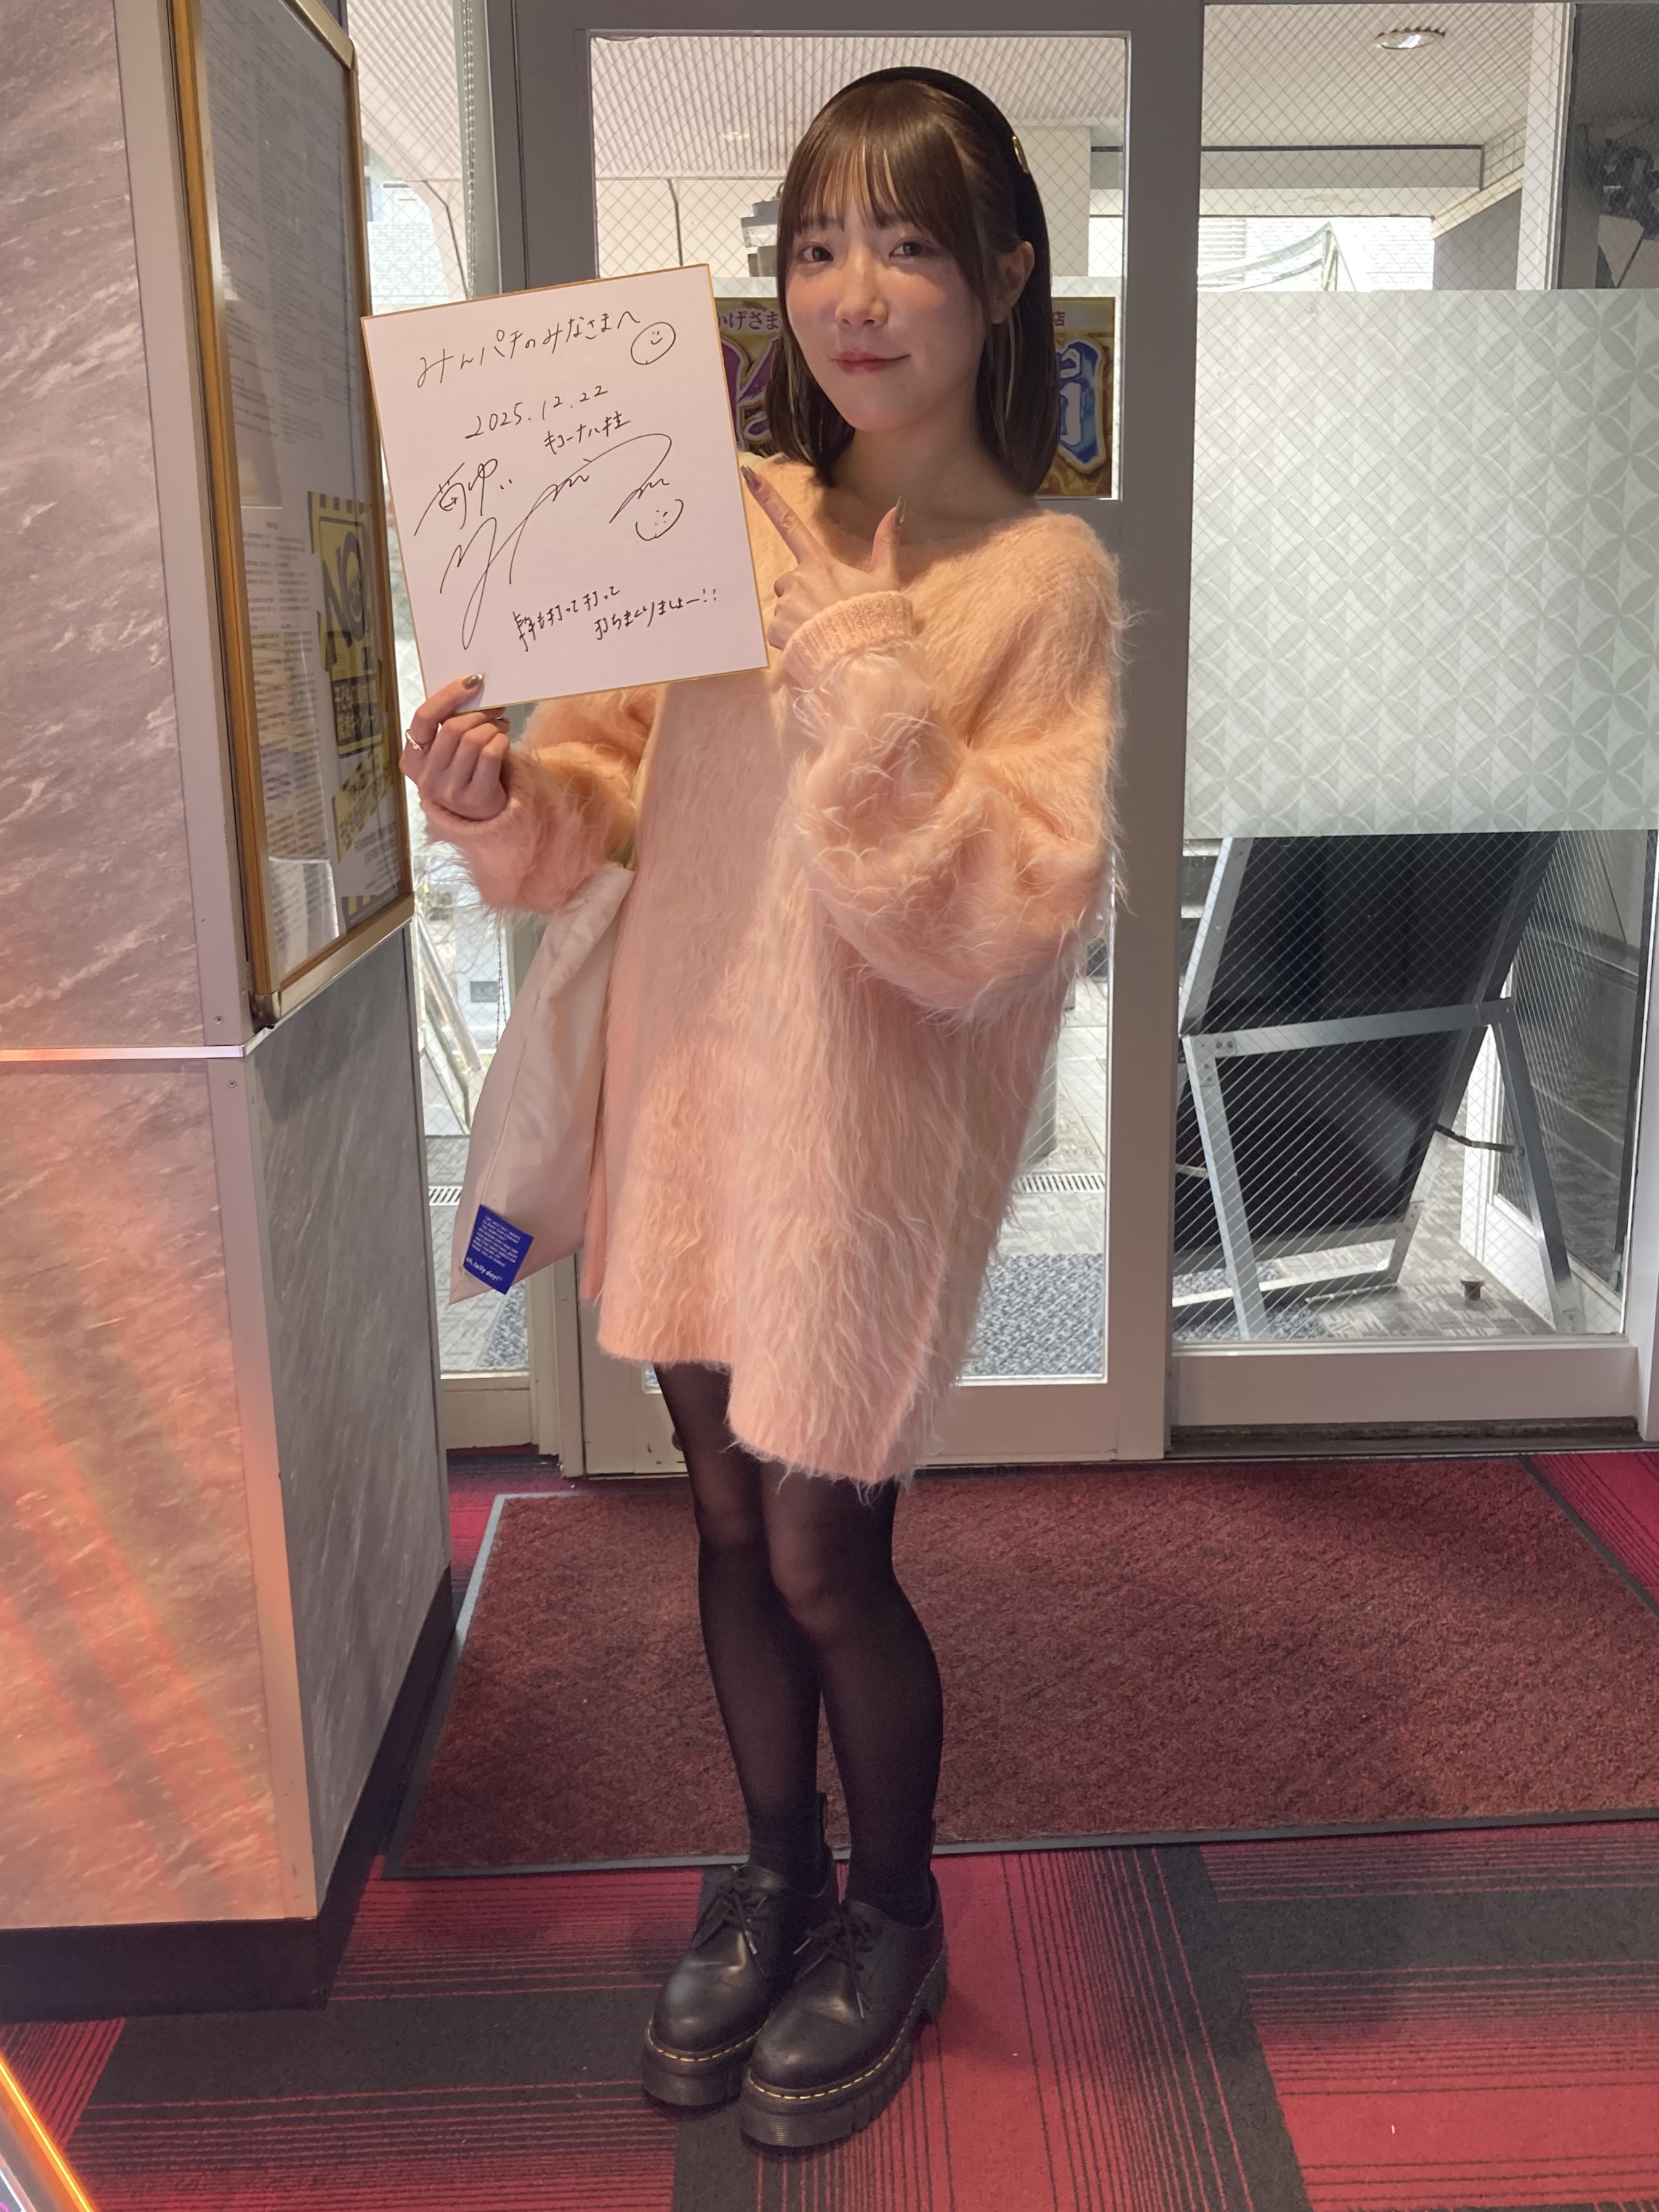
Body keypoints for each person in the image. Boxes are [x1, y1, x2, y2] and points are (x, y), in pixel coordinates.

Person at [403, 67, 1121, 2151]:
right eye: (817, 245)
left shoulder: (1039, 582)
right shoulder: (715, 511)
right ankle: (779, 1875)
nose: (854, 293)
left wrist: (866, 677)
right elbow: (608, 798)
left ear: (1004, 275)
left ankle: (894, 1915)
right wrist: (500, 796)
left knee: (824, 1552)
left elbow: (1006, 915)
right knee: (724, 1523)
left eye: (907, 243)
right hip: (691, 1101)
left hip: (867, 1162)